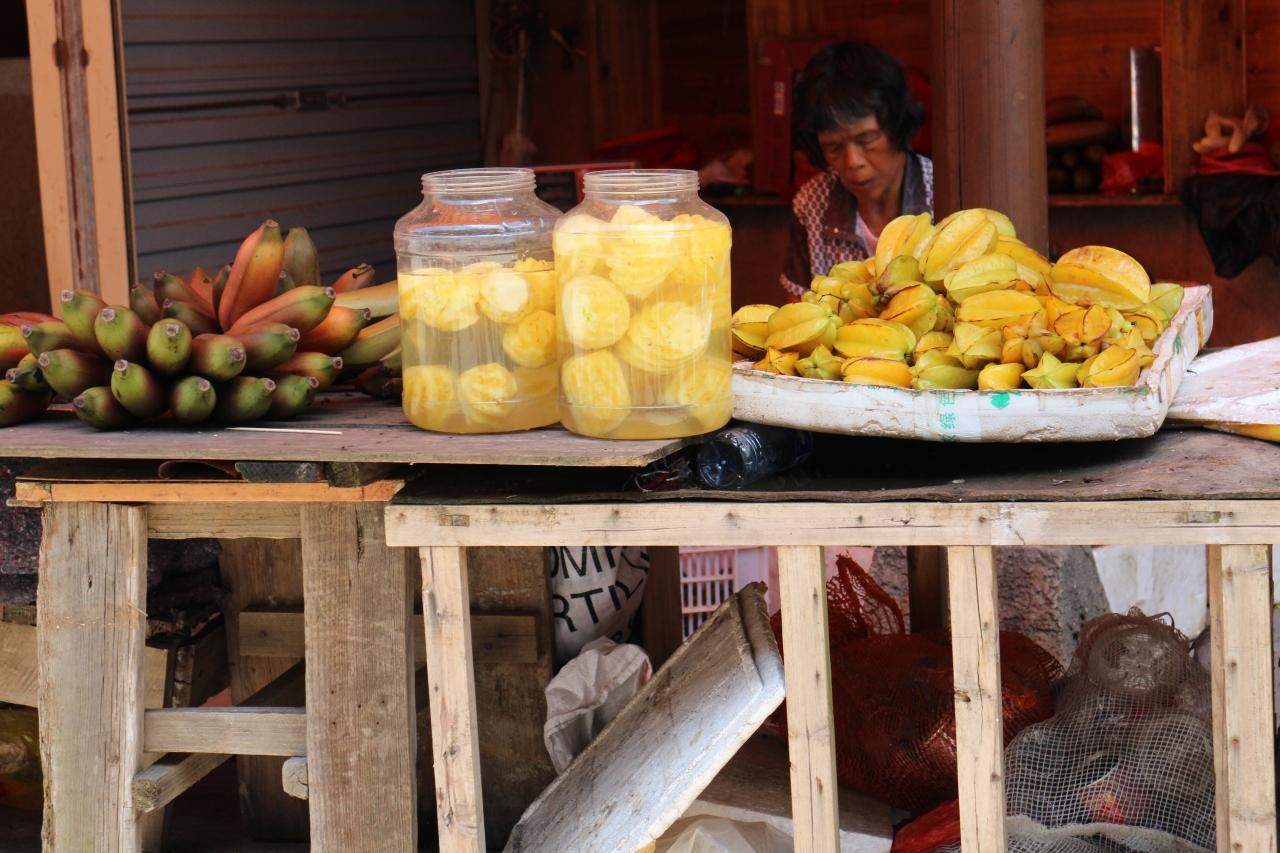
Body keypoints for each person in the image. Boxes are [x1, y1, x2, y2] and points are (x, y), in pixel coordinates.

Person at [781, 41, 934, 299]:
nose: (853, 162)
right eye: (833, 148)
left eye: (867, 139)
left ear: (896, 125)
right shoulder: (811, 204)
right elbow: (796, 309)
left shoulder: (941, 195)